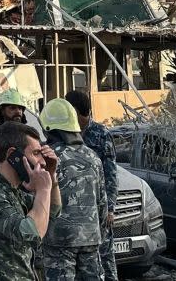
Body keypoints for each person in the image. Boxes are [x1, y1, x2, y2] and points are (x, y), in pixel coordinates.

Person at [0, 121, 61, 281]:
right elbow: (32, 233)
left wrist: (51, 177)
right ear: (13, 155)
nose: (42, 161)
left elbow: (52, 212)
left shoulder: (13, 191)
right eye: (36, 153)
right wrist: (43, 189)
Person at [40, 98, 106, 281]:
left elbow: (40, 199)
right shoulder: (93, 156)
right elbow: (102, 202)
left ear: (49, 127)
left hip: (59, 239)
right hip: (91, 237)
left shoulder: (50, 157)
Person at [67, 90, 119, 281]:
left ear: (77, 111)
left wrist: (110, 208)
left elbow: (111, 174)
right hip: (76, 207)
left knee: (105, 254)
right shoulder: (66, 133)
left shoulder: (100, 134)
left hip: (99, 206)